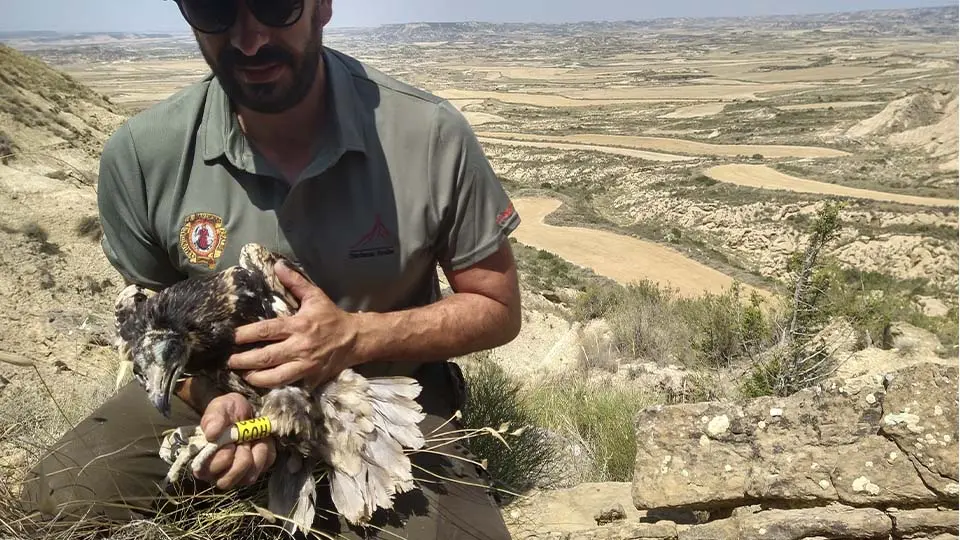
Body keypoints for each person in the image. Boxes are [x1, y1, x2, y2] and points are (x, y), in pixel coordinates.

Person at [19, 0, 522, 537]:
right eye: (214, 11)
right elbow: (156, 332)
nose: (249, 39)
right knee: (57, 501)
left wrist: (354, 337)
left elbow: (497, 308)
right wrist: (217, 401)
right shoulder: (143, 155)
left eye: (276, 5)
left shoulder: (429, 135)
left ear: (322, 7)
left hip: (376, 399)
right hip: (220, 393)